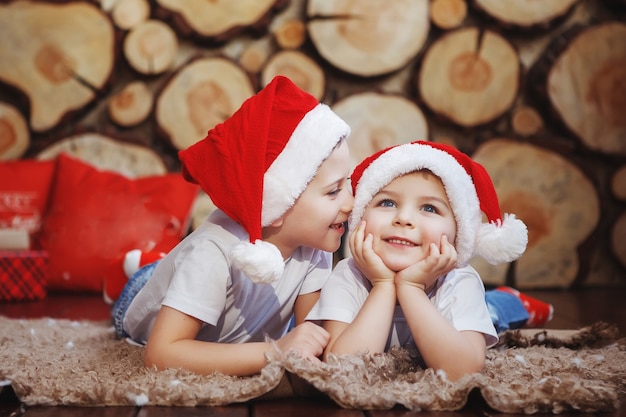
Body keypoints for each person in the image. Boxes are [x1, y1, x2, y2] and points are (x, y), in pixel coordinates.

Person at [111, 76, 353, 376]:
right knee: (152, 279)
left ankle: (161, 263)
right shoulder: (213, 252)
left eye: (349, 184)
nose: (350, 203)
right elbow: (161, 354)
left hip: (208, 291)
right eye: (334, 191)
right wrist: (274, 351)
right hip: (139, 299)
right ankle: (149, 268)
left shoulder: (315, 244)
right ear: (276, 206)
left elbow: (313, 341)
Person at [306, 140, 529, 381]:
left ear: (458, 234)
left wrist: (411, 288)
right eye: (387, 203)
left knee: (496, 314)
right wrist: (382, 285)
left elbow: (462, 371)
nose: (403, 218)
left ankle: (512, 301)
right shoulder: (348, 275)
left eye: (430, 208)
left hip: (482, 308)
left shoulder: (459, 280)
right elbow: (343, 368)